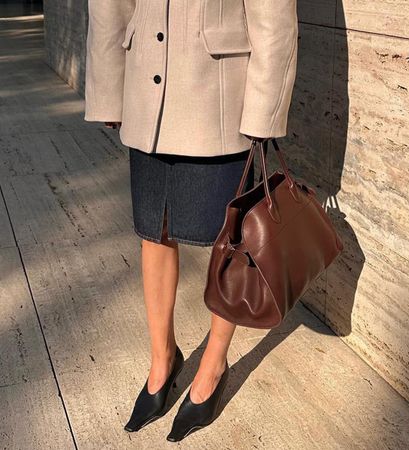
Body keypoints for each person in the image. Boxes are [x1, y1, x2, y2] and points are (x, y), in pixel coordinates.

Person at [84, 0, 298, 442]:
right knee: (153, 231)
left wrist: (263, 110)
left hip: (218, 93)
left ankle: (213, 364)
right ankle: (163, 359)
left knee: (233, 247)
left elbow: (273, 14)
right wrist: (108, 86)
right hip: (145, 85)